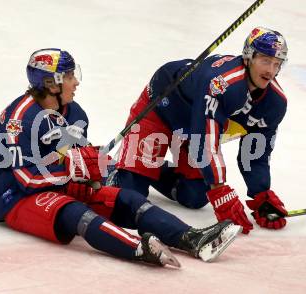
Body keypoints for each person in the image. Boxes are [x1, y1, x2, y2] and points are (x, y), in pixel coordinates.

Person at [0, 48, 241, 268]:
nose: (75, 81)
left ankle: (192, 238)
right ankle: (139, 248)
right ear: (51, 83)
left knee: (129, 198)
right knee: (75, 212)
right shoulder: (19, 121)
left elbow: (78, 158)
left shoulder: (75, 112)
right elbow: (25, 177)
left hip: (59, 184)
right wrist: (72, 168)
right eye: (68, 76)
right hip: (16, 198)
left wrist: (95, 170)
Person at [111, 27, 289, 234]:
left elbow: (256, 151)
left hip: (194, 125)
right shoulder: (221, 84)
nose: (271, 70)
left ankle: (146, 167)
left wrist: (260, 193)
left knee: (194, 195)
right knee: (130, 193)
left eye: (277, 64)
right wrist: (220, 190)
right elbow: (204, 141)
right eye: (265, 61)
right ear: (248, 57)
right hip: (162, 107)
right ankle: (116, 170)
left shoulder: (275, 103)